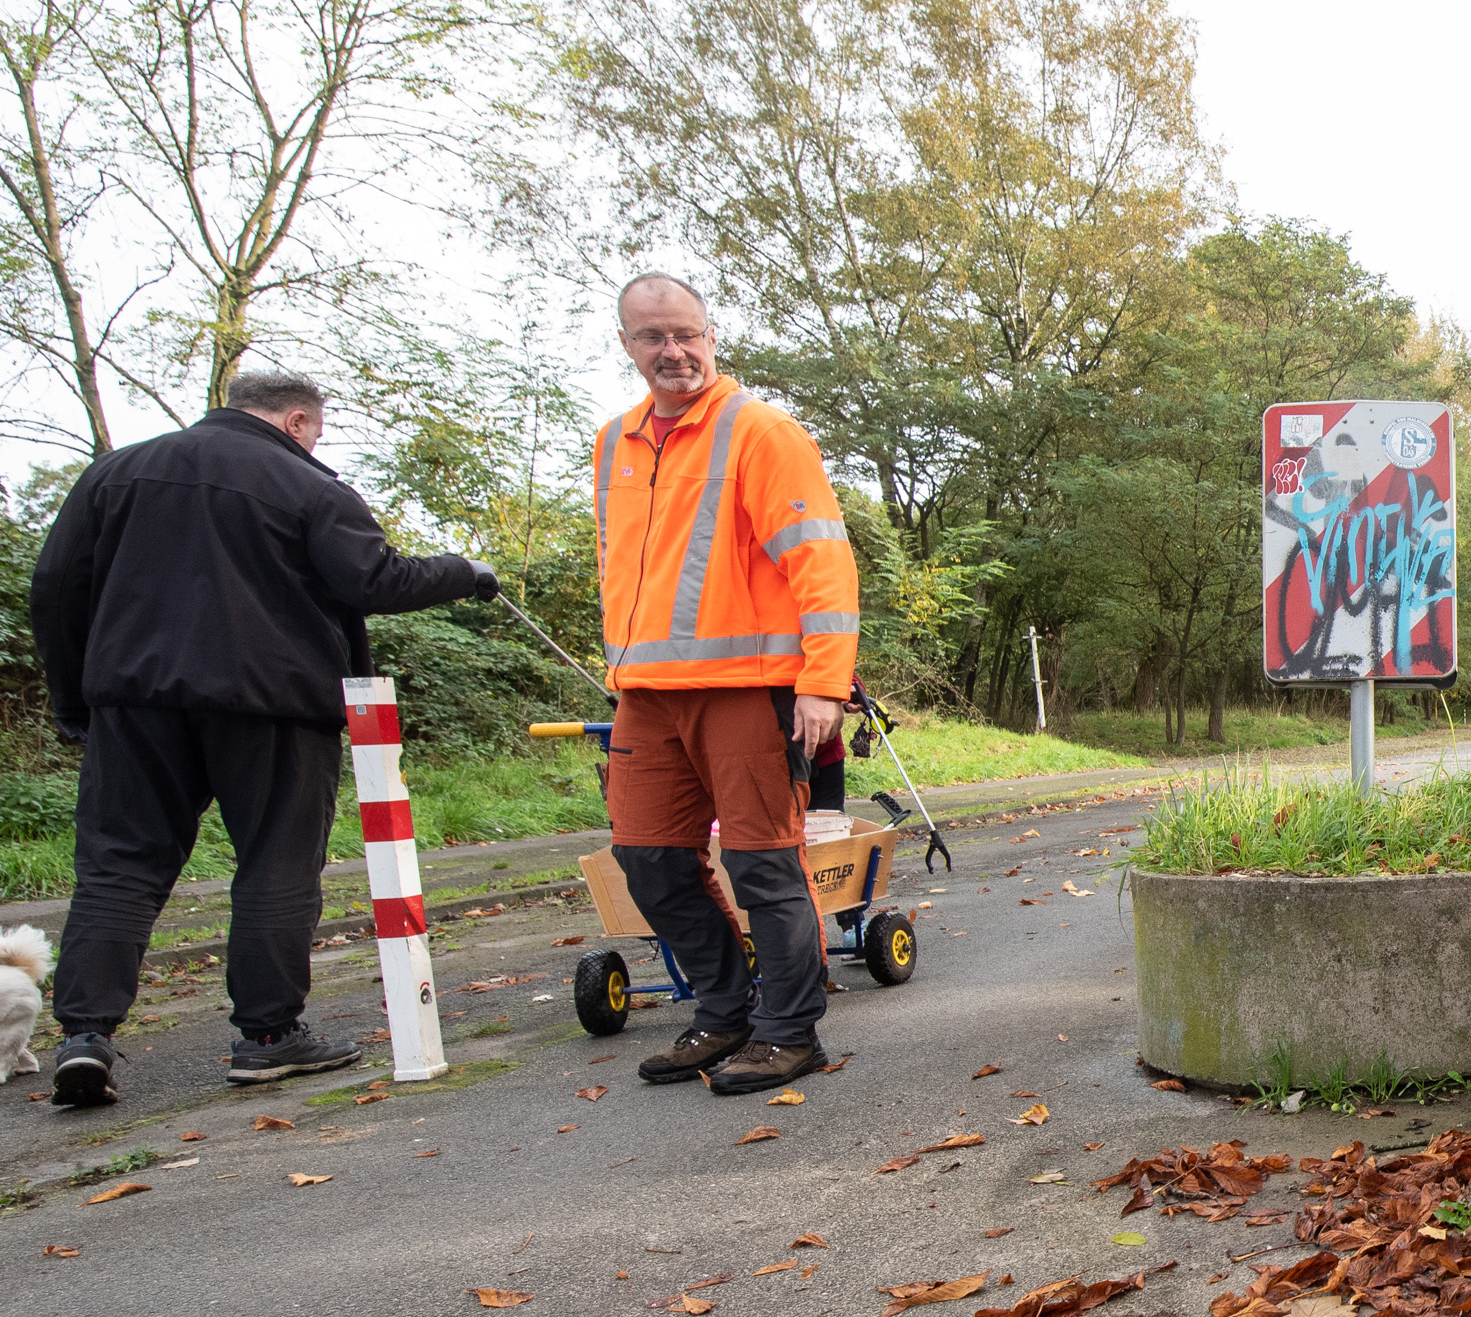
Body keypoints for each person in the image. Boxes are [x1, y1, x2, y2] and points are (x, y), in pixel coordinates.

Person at [32, 370, 495, 1106]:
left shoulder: (118, 472)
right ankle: (269, 1037)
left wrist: (76, 697)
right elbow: (372, 580)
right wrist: (464, 572)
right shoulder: (306, 484)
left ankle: (85, 1037)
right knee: (276, 862)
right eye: (315, 430)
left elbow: (55, 586)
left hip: (135, 699)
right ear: (296, 421)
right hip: (273, 701)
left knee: (120, 865)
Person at [595, 272, 860, 1096]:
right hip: (647, 692)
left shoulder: (760, 431)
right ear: (628, 345)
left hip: (748, 687)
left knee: (762, 866)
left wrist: (824, 682)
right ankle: (725, 1012)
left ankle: (789, 1033)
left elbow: (820, 558)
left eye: (686, 334)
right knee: (647, 860)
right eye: (652, 337)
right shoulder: (616, 442)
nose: (672, 351)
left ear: (712, 337)